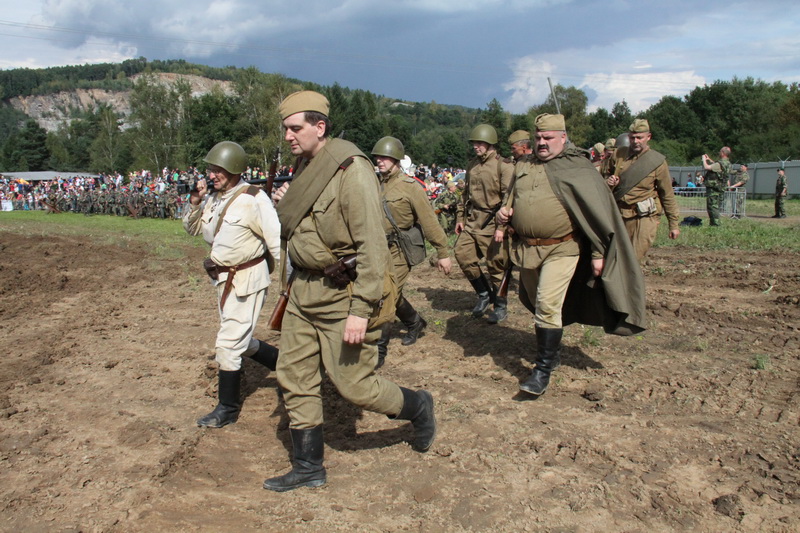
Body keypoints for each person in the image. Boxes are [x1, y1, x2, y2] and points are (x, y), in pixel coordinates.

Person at [266, 91, 436, 492]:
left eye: (295, 128)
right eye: (285, 129)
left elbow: (373, 246)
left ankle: (418, 406)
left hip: (341, 295)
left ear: (319, 126)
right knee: (294, 377)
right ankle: (309, 467)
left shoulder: (350, 169)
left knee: (354, 386)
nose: (288, 136)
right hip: (303, 290)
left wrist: (362, 309)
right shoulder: (305, 166)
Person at [495, 113, 646, 397]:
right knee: (536, 302)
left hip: (563, 248)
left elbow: (596, 212)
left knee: (547, 303)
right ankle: (552, 353)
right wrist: (504, 214)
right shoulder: (524, 164)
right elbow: (511, 198)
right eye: (538, 137)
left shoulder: (577, 167)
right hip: (527, 249)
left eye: (548, 138)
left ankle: (541, 370)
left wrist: (600, 252)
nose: (542, 143)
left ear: (563, 138)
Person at [183, 141, 282, 428]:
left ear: (235, 170)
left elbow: (276, 243)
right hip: (223, 280)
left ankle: (227, 407)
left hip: (247, 281)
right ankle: (285, 366)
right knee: (242, 340)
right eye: (210, 169)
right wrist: (194, 203)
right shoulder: (215, 198)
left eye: (219, 170)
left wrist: (291, 285)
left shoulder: (254, 199)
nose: (212, 175)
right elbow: (193, 229)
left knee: (228, 343)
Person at [371, 136, 452, 368]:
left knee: (386, 296)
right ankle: (415, 322)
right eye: (377, 157)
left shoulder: (411, 187)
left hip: (400, 248)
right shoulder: (377, 184)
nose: (380, 161)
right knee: (387, 293)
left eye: (385, 157)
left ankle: (379, 350)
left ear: (396, 159)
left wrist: (443, 252)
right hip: (378, 249)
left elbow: (429, 222)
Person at [455, 124, 514, 324]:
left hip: (493, 223)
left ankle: (500, 305)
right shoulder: (472, 165)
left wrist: (501, 227)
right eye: (474, 143)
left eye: (479, 143)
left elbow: (510, 199)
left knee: (496, 266)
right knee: (463, 255)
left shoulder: (504, 166)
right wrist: (460, 218)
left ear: (490, 144)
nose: (475, 147)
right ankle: (483, 294)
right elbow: (465, 194)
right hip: (473, 221)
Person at [606, 119, 680, 260]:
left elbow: (667, 194)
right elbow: (602, 178)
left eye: (639, 137)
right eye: (632, 137)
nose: (635, 141)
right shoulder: (618, 155)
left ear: (648, 137)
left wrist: (673, 224)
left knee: (633, 259)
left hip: (643, 218)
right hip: (618, 215)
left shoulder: (657, 161)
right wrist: (608, 182)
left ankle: (632, 281)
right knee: (615, 257)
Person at [702, 147, 732, 226]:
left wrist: (704, 160)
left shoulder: (720, 164)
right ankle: (714, 223)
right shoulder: (727, 163)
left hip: (714, 188)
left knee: (712, 206)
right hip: (720, 187)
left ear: (722, 153)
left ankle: (715, 224)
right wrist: (709, 159)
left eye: (720, 151)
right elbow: (717, 166)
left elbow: (707, 167)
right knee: (716, 206)